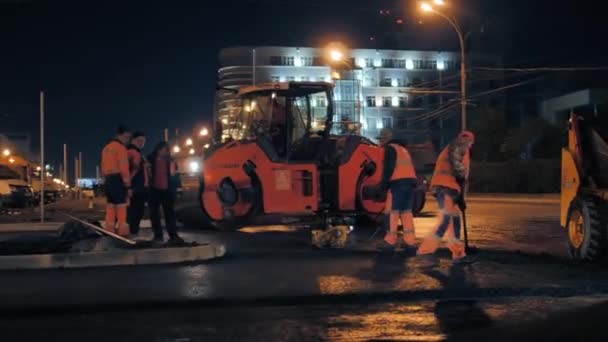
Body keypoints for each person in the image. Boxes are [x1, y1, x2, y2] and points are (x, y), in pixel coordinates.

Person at [417, 131, 475, 261]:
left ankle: (458, 252)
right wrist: (460, 178)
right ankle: (425, 251)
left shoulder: (458, 146)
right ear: (470, 141)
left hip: (449, 188)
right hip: (446, 188)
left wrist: (461, 199)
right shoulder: (460, 145)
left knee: (454, 220)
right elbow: (459, 170)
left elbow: (462, 177)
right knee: (446, 219)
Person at [377, 128, 418, 250]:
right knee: (406, 212)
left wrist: (383, 185)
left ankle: (390, 241)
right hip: (410, 183)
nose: (380, 142)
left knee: (392, 212)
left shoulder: (390, 148)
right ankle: (410, 242)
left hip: (398, 183)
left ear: (386, 139)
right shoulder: (402, 149)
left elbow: (389, 168)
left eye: (382, 139)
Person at [148, 141, 183, 244]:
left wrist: (178, 189)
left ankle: (173, 235)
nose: (166, 152)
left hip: (167, 190)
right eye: (164, 150)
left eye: (167, 150)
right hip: (154, 190)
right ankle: (158, 235)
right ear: (158, 150)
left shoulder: (171, 161)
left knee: (169, 214)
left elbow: (176, 175)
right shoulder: (150, 159)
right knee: (154, 215)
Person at [101, 125, 131, 236]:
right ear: (120, 135)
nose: (127, 140)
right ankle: (123, 232)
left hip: (108, 180)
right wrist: (127, 185)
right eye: (126, 137)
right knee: (121, 206)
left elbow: (103, 167)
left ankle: (110, 230)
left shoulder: (106, 148)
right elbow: (124, 167)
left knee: (110, 206)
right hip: (117, 179)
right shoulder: (121, 148)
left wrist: (106, 180)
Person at [127, 131, 149, 235]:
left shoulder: (139, 153)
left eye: (143, 141)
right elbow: (126, 170)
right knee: (133, 212)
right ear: (133, 140)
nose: (141, 143)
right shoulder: (130, 152)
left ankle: (133, 232)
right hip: (134, 187)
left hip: (141, 188)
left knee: (138, 212)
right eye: (139, 140)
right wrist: (128, 187)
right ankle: (131, 233)